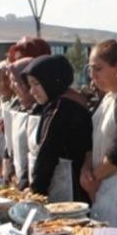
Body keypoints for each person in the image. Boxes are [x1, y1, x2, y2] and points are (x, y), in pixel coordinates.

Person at [80, 40, 117, 225]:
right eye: (90, 69)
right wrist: (86, 169)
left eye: (98, 69)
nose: (92, 76)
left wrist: (94, 178)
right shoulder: (108, 98)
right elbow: (92, 139)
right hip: (101, 184)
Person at [24, 56, 93, 201]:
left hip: (69, 188)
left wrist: (35, 193)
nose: (32, 91)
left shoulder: (60, 107)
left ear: (51, 80)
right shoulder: (64, 101)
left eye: (36, 84)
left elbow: (47, 152)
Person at [7, 59, 37, 189]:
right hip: (21, 183)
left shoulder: (40, 112)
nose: (11, 87)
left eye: (15, 81)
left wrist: (24, 183)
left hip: (34, 185)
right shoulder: (19, 109)